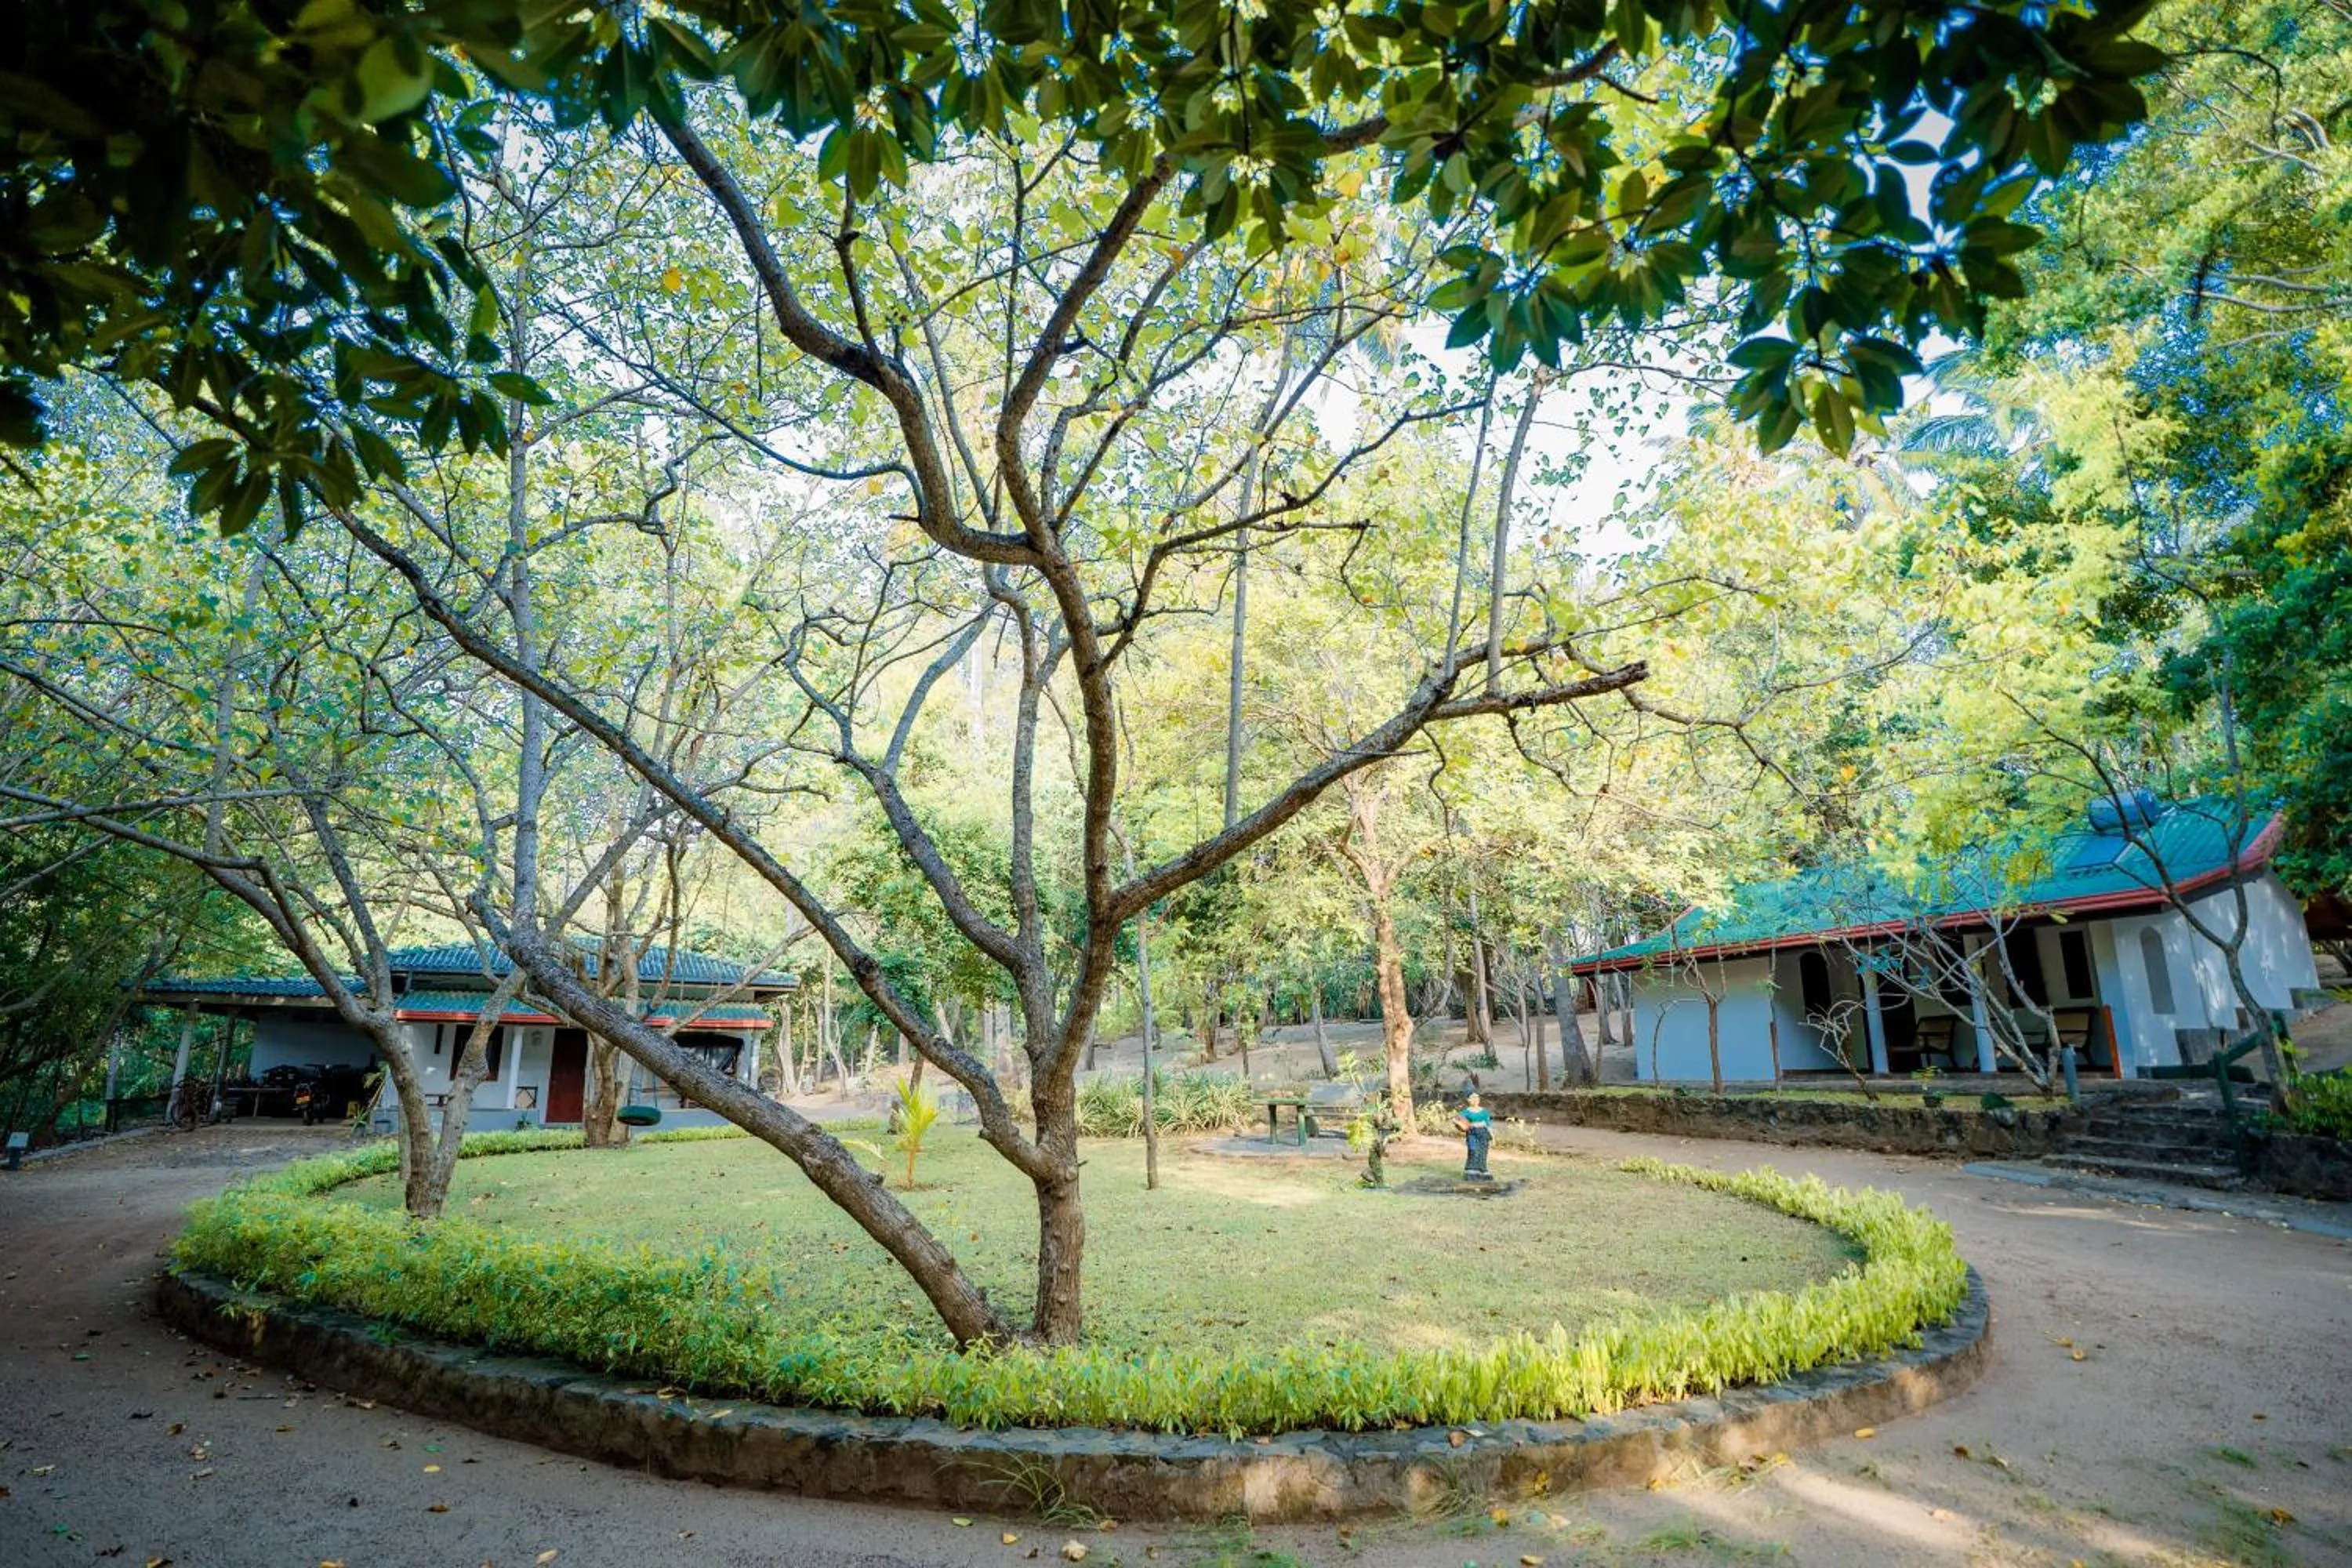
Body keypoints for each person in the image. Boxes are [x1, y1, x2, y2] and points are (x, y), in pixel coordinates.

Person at [1454, 1091, 1493, 1180]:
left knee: (1483, 1151)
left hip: (1483, 1132)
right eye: (1473, 1098)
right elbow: (1457, 1120)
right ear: (1468, 1100)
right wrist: (1460, 1124)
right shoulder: (1466, 1112)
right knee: (1473, 1150)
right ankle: (1471, 1170)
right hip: (1472, 1132)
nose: (1475, 1100)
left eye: (1477, 1098)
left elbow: (1488, 1124)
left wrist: (1492, 1135)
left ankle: (1482, 1170)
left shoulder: (1484, 1111)